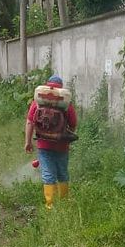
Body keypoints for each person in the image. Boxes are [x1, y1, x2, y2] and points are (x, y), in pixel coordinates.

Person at [25, 74, 77, 209]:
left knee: (48, 173)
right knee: (62, 173)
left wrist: (28, 142)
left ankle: (50, 205)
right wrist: (65, 137)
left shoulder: (38, 101)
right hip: (62, 145)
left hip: (44, 145)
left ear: (47, 85)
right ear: (61, 87)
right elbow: (73, 124)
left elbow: (30, 122)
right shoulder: (65, 103)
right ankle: (64, 203)